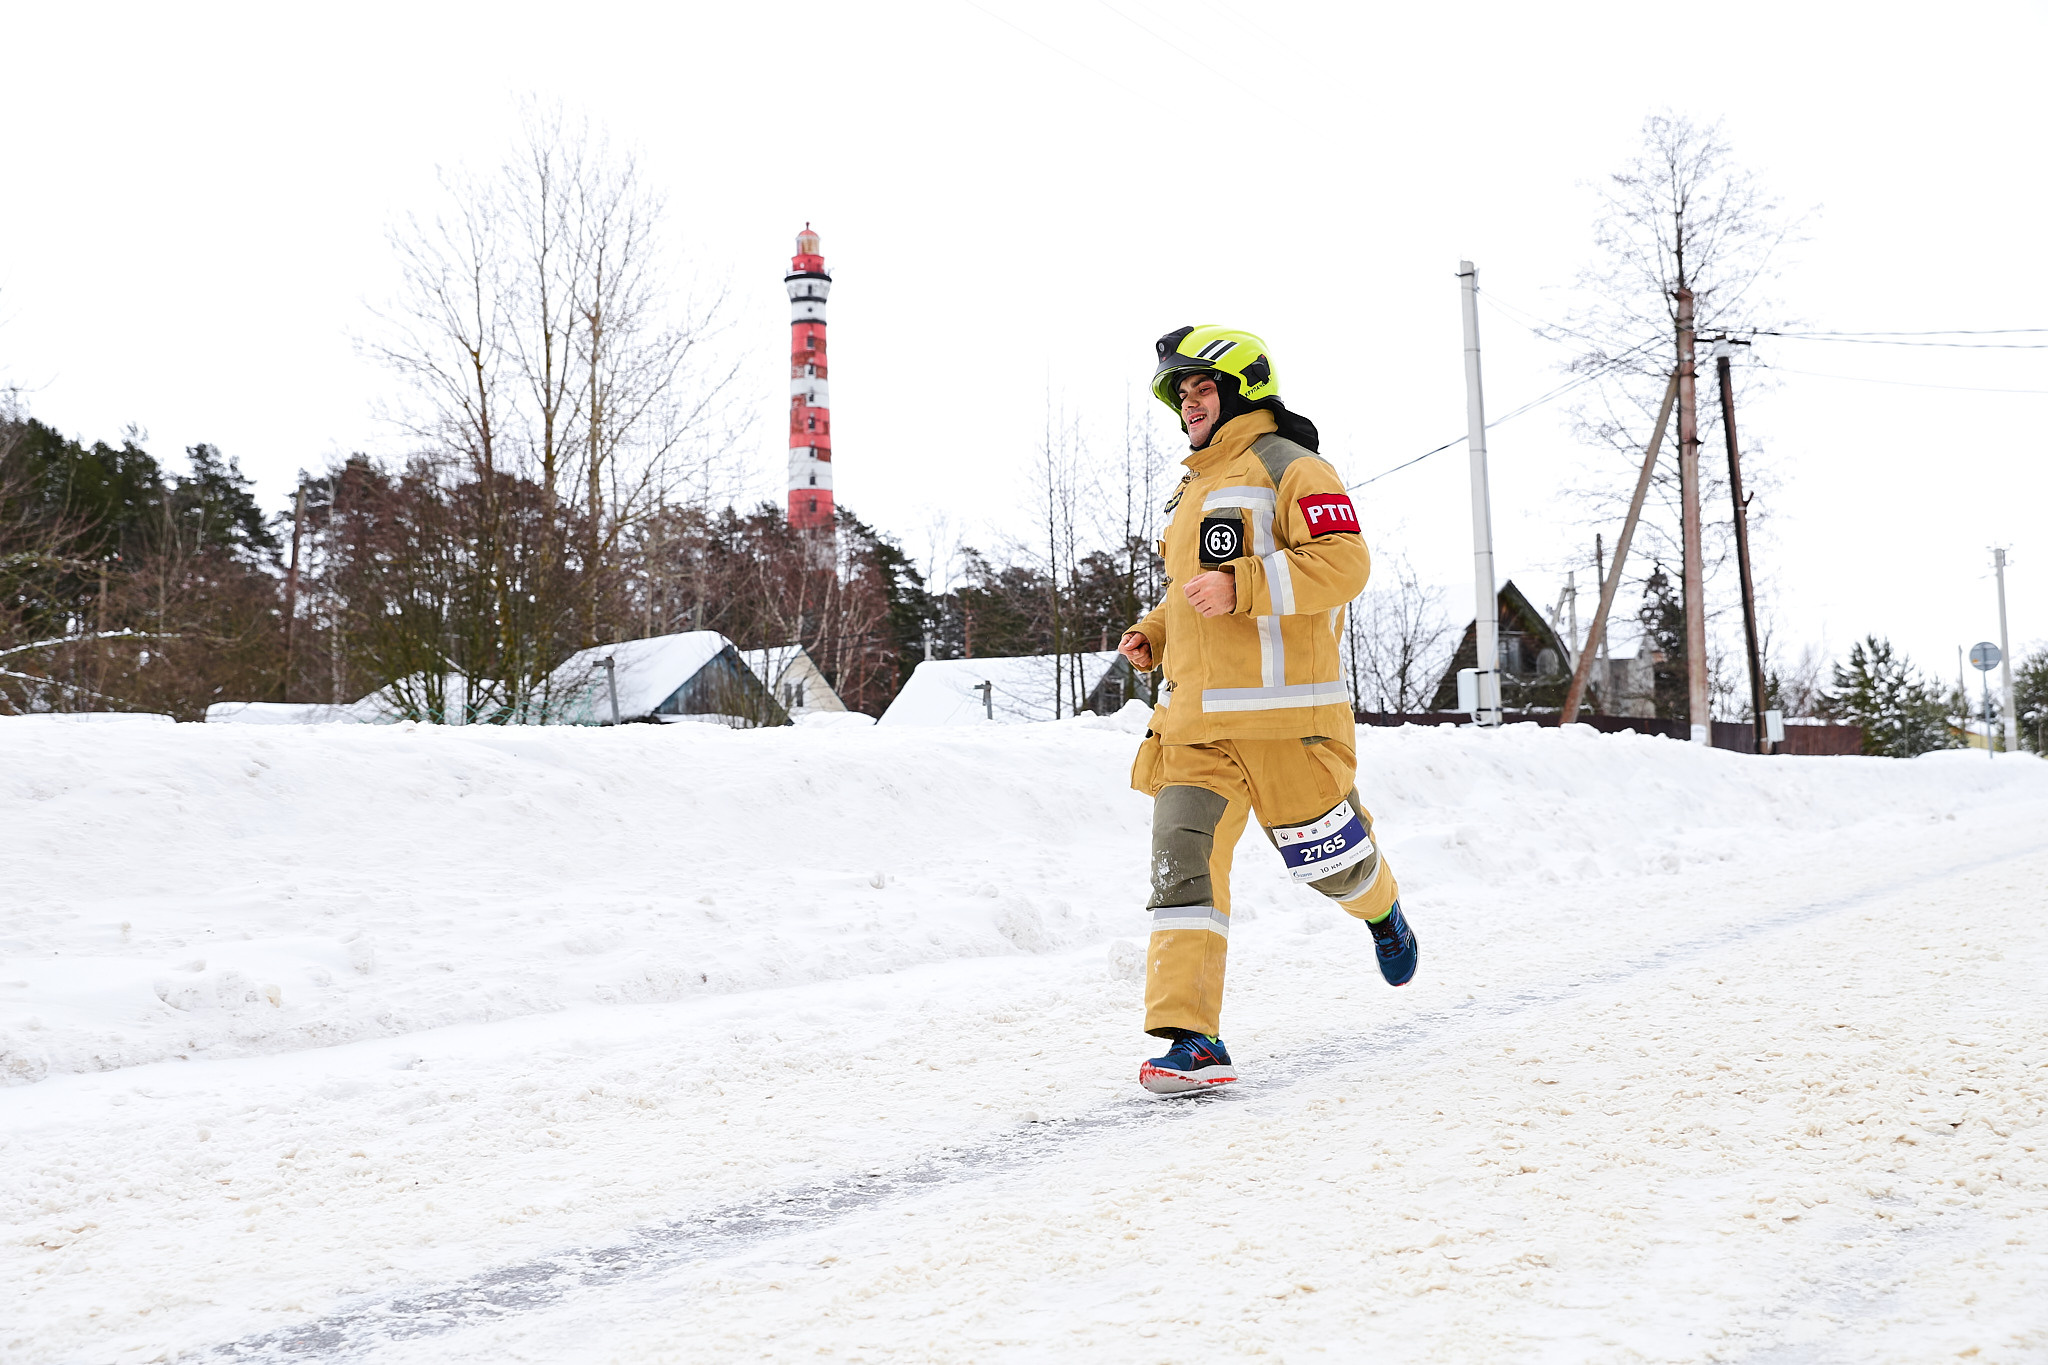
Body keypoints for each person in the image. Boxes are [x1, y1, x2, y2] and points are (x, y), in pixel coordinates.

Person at [1118, 325, 1418, 1095]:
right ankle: (1193, 1038)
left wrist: (1242, 585)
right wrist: (1154, 630)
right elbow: (1192, 587)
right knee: (1180, 868)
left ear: (1243, 389)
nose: (1189, 404)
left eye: (1201, 390)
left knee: (1337, 869)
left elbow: (1344, 563)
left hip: (1289, 729)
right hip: (1196, 731)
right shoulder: (1190, 489)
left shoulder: (1294, 468)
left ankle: (1381, 910)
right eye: (1181, 395)